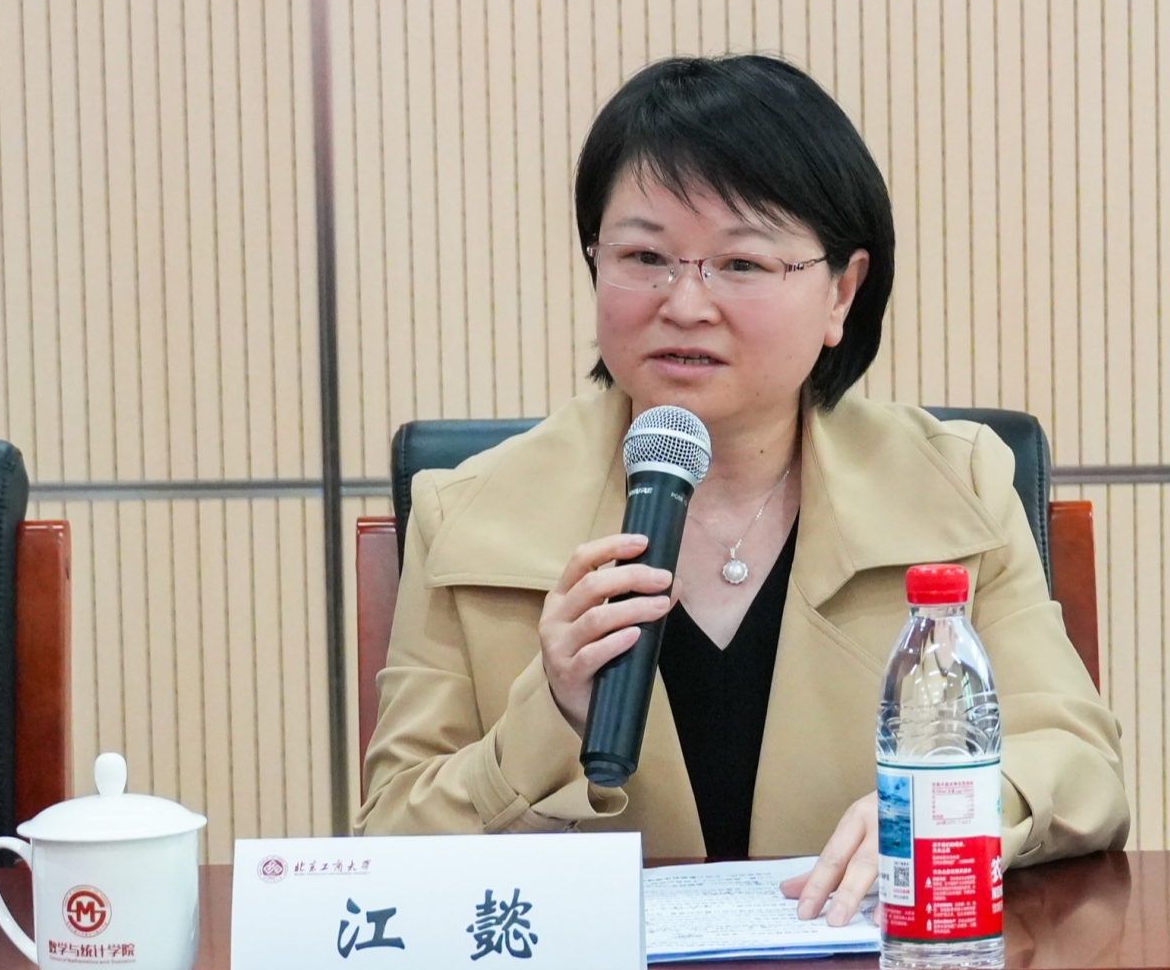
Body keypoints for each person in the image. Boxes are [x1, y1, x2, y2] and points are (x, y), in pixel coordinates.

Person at [357, 53, 1129, 926]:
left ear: (841, 291)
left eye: (742, 263)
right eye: (644, 256)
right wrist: (551, 718)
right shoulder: (472, 513)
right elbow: (390, 839)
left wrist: (948, 814)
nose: (686, 304)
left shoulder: (955, 487)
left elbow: (1080, 764)